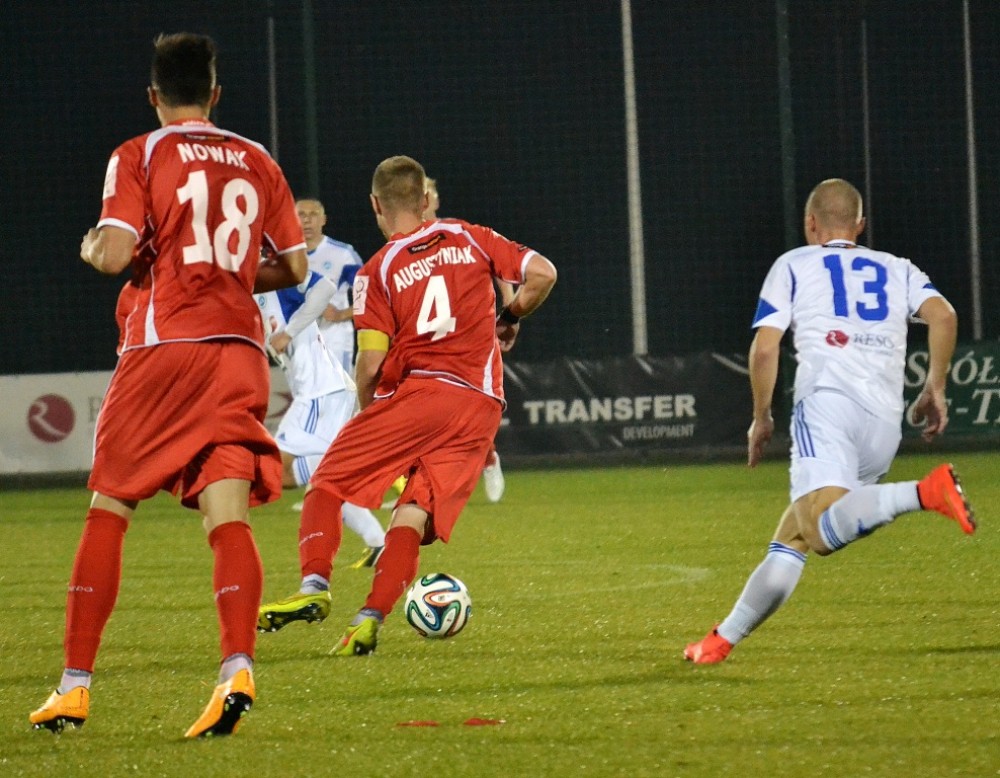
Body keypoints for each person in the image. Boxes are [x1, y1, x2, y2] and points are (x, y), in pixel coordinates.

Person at [29, 33, 307, 737]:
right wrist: (229, 276)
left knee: (111, 505)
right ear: (216, 94)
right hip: (239, 352)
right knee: (228, 515)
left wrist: (93, 247)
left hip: (166, 347)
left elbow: (115, 252)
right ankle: (236, 668)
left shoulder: (140, 153)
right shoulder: (258, 158)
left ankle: (73, 687)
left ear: (154, 95)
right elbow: (294, 267)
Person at [258, 155, 556, 654]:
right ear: (425, 200)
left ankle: (314, 586)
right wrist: (510, 316)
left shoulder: (376, 271)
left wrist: (369, 410)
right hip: (481, 405)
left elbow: (371, 364)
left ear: (376, 205)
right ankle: (369, 618)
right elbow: (543, 274)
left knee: (327, 481)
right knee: (413, 513)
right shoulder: (470, 236)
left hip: (420, 395)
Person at [684, 178, 976, 665]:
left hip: (827, 404)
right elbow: (944, 317)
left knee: (819, 531)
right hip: (882, 423)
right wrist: (935, 387)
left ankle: (926, 493)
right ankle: (722, 640)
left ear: (810, 224)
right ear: (860, 225)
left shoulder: (794, 264)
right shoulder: (898, 267)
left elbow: (765, 348)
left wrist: (761, 416)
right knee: (795, 534)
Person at [256, 271, 386, 582]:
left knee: (278, 472)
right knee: (324, 478)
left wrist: (289, 332)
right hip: (321, 391)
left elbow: (325, 287)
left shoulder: (274, 273)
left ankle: (324, 572)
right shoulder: (247, 290)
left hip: (321, 392)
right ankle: (378, 542)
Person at [423, 177, 506, 503]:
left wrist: (509, 307)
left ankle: (489, 458)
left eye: (428, 193)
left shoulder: (460, 232)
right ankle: (425, 481)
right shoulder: (401, 241)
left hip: (467, 337)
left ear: (435, 200)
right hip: (424, 338)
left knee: (471, 410)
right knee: (427, 411)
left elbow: (498, 262)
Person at [296, 198, 363, 373]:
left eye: (313, 214)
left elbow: (371, 295)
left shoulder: (343, 254)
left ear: (323, 220)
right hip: (297, 342)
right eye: (301, 214)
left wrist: (341, 314)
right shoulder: (284, 257)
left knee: (337, 390)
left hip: (334, 340)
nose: (307, 220)